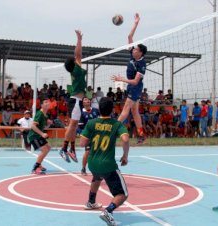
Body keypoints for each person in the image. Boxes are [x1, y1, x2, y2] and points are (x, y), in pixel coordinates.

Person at [79, 97, 129, 226]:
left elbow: (82, 143)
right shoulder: (116, 124)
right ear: (112, 110)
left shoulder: (91, 123)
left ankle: (91, 202)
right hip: (108, 165)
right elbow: (125, 139)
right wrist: (125, 156)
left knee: (97, 178)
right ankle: (108, 211)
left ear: (99, 109)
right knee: (122, 194)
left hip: (92, 163)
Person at [112, 13, 147, 144]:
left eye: (136, 49)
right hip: (132, 86)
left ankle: (112, 130)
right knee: (134, 111)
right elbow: (129, 36)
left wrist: (121, 79)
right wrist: (136, 23)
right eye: (133, 49)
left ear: (140, 53)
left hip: (135, 86)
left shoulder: (141, 64)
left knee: (126, 109)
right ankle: (142, 135)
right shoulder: (133, 56)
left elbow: (136, 81)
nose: (133, 50)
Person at [59, 30, 87, 163]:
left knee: (74, 126)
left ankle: (72, 149)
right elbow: (78, 53)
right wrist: (79, 40)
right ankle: (64, 148)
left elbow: (78, 55)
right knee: (72, 125)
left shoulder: (74, 70)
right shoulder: (76, 69)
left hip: (77, 100)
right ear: (73, 63)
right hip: (75, 100)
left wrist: (79, 40)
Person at [28, 98, 52, 174]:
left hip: (38, 135)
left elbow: (42, 127)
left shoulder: (45, 115)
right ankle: (35, 167)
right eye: (45, 102)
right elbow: (33, 126)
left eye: (48, 102)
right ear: (41, 105)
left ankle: (39, 164)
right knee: (45, 149)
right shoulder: (39, 114)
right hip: (34, 136)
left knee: (48, 147)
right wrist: (42, 134)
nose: (47, 103)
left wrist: (48, 124)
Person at [78, 97, 100, 175]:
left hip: (97, 135)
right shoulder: (81, 113)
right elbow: (80, 127)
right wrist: (83, 135)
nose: (87, 101)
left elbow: (101, 120)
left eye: (88, 99)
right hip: (88, 135)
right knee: (87, 152)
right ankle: (83, 168)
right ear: (83, 103)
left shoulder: (96, 111)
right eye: (85, 100)